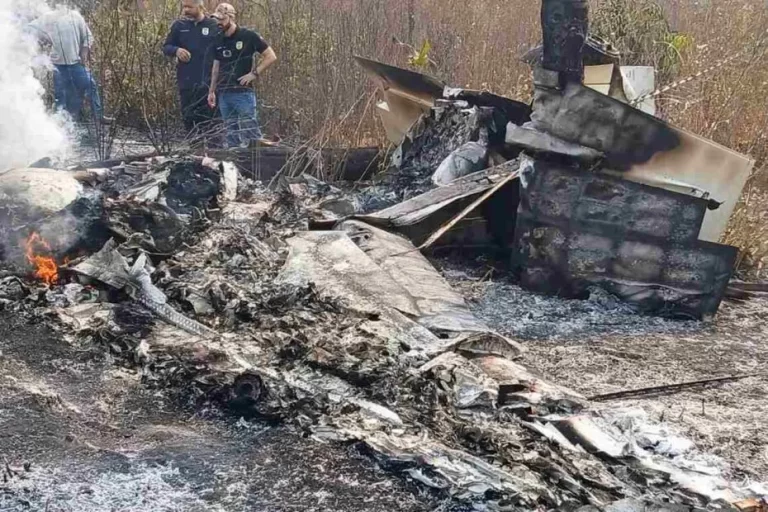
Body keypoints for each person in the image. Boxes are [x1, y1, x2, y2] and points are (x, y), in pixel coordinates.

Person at [207, 3, 277, 148]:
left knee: (250, 131)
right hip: (224, 91)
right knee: (231, 133)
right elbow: (216, 66)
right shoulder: (217, 39)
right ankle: (236, 163)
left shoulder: (248, 35)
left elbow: (270, 56)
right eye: (217, 20)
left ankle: (260, 162)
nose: (218, 23)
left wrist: (254, 73)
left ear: (231, 17)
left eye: (222, 19)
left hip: (243, 91)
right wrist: (211, 90)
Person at [29, 5, 111, 124]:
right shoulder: (49, 17)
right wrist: (42, 37)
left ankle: (98, 116)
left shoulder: (76, 17)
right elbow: (32, 27)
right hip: (58, 66)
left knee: (90, 84)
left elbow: (88, 36)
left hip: (75, 64)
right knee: (61, 98)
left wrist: (84, 51)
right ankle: (59, 125)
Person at [162, 0, 220, 139]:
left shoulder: (213, 25)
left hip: (209, 84)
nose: (186, 10)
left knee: (213, 125)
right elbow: (166, 47)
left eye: (189, 7)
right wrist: (176, 50)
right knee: (190, 120)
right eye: (184, 7)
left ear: (200, 7)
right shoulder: (179, 26)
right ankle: (195, 154)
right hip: (186, 82)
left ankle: (214, 155)